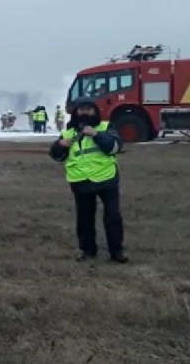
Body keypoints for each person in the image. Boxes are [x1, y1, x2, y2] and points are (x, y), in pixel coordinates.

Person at [49, 96, 128, 263]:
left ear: (95, 110)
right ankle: (87, 250)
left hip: (106, 178)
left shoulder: (106, 127)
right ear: (76, 112)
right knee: (84, 218)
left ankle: (116, 251)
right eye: (81, 109)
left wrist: (97, 135)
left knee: (112, 216)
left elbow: (115, 147)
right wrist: (59, 145)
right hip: (80, 181)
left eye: (88, 109)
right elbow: (57, 157)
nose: (85, 112)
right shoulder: (68, 132)